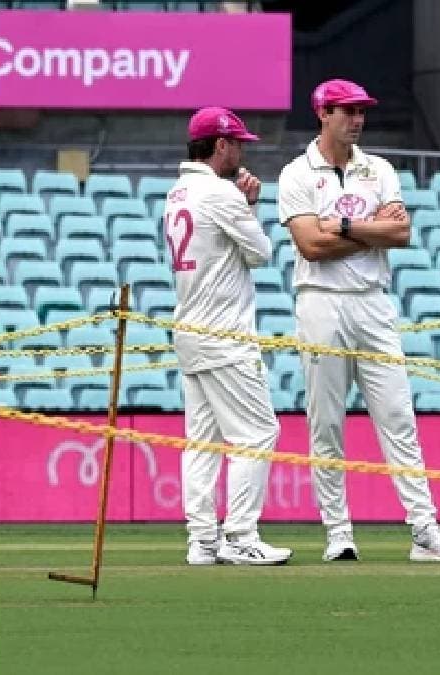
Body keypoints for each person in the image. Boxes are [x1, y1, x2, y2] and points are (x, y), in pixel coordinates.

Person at [277, 79, 440, 563]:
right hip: (320, 299)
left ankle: (424, 530)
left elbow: (401, 232)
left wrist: (341, 225)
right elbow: (310, 247)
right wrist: (372, 232)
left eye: (362, 111)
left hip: (373, 300)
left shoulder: (379, 169)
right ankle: (337, 532)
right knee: (327, 422)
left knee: (398, 417)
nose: (358, 119)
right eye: (347, 111)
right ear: (323, 114)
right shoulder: (296, 173)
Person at [169, 106, 292, 566]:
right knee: (258, 432)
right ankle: (240, 535)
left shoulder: (177, 192)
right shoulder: (219, 194)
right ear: (220, 146)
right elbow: (260, 253)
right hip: (223, 332)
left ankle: (201, 540)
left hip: (190, 328)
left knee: (202, 439)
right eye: (237, 143)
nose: (241, 151)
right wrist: (250, 203)